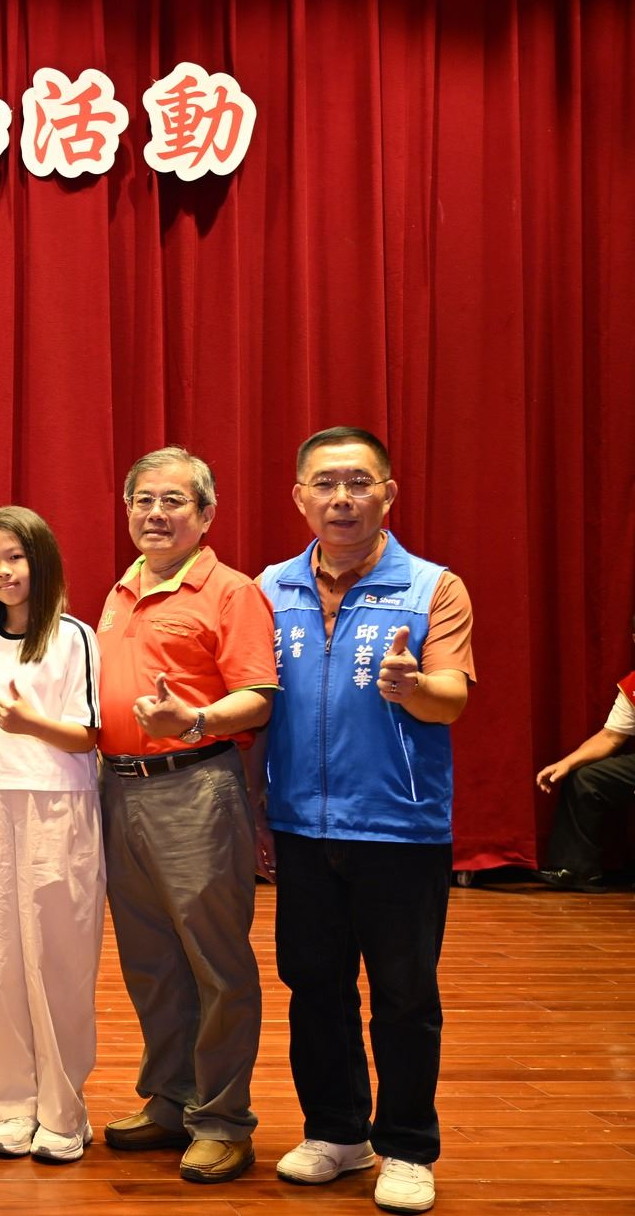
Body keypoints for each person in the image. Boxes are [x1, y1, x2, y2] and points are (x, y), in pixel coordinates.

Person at [259, 426, 475, 1215]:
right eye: (325, 483)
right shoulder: (270, 588)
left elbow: (452, 698)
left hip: (399, 828)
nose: (341, 498)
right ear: (299, 497)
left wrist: (413, 688)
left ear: (388, 493)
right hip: (301, 826)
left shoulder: (431, 587)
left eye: (358, 482)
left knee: (404, 995)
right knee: (314, 986)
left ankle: (408, 1145)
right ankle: (336, 1131)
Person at [95, 446, 277, 1185]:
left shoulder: (230, 592)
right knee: (151, 961)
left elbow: (258, 697)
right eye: (143, 499)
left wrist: (194, 720)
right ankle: (172, 1098)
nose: (155, 513)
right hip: (118, 789)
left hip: (196, 787)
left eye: (173, 500)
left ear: (206, 515)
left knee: (215, 962)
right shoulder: (121, 588)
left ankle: (225, 1121)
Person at [0, 506, 104, 1165]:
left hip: (59, 807)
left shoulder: (73, 636)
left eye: (15, 557)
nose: (4, 571)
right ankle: (13, 1106)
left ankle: (64, 1111)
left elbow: (89, 734)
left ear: (40, 559)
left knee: (59, 962)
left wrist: (30, 724)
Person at [534, 611, 635, 892]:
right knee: (586, 779)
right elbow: (611, 737)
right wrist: (566, 763)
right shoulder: (633, 685)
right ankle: (577, 870)